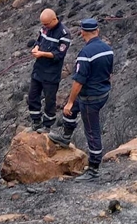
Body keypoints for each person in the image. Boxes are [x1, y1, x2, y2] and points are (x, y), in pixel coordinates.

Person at [48, 18, 114, 182]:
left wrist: (70, 101)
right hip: (101, 93)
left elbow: (79, 81)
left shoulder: (85, 54)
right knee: (71, 112)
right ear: (97, 31)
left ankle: (93, 169)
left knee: (92, 131)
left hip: (89, 97)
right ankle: (65, 137)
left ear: (82, 32)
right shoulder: (108, 49)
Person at [27, 8, 71, 132]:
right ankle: (36, 121)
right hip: (38, 70)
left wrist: (42, 53)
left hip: (51, 73)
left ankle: (47, 126)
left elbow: (59, 54)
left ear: (54, 19)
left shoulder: (64, 33)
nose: (44, 26)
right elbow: (39, 40)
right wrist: (36, 48)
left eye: (46, 24)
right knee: (32, 96)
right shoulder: (44, 28)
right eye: (43, 24)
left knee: (50, 100)